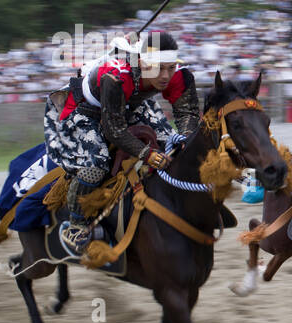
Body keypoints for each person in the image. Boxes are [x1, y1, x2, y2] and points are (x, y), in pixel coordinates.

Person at [44, 32, 197, 257]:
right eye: (158, 68)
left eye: (171, 68)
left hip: (128, 105)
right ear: (143, 62)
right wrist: (146, 154)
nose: (165, 76)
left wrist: (184, 139)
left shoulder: (179, 76)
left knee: (172, 145)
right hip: (83, 110)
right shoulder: (115, 76)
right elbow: (113, 130)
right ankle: (76, 225)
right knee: (96, 165)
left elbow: (187, 113)